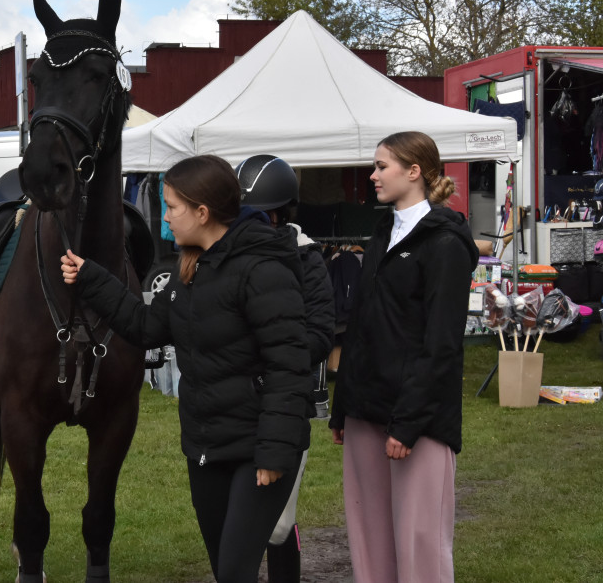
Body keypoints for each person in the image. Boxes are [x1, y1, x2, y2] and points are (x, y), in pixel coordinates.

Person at [60, 154, 313, 583]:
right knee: (225, 571)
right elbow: (145, 326)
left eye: (172, 207)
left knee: (235, 572)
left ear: (202, 211)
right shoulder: (188, 269)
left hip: (257, 450)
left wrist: (274, 451)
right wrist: (93, 278)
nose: (166, 219)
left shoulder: (263, 269)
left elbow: (288, 366)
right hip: (206, 449)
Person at [329, 131, 478, 583]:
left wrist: (409, 423)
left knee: (420, 545)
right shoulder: (381, 233)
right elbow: (360, 329)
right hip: (365, 411)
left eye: (381, 166)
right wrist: (343, 409)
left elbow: (442, 344)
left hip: (418, 419)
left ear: (414, 171)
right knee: (370, 541)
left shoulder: (446, 244)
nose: (372, 175)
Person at [236, 154, 335, 583]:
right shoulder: (230, 251)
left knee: (278, 524)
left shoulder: (306, 258)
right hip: (235, 404)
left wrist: (270, 355)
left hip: (287, 399)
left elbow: (318, 335)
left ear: (278, 215)